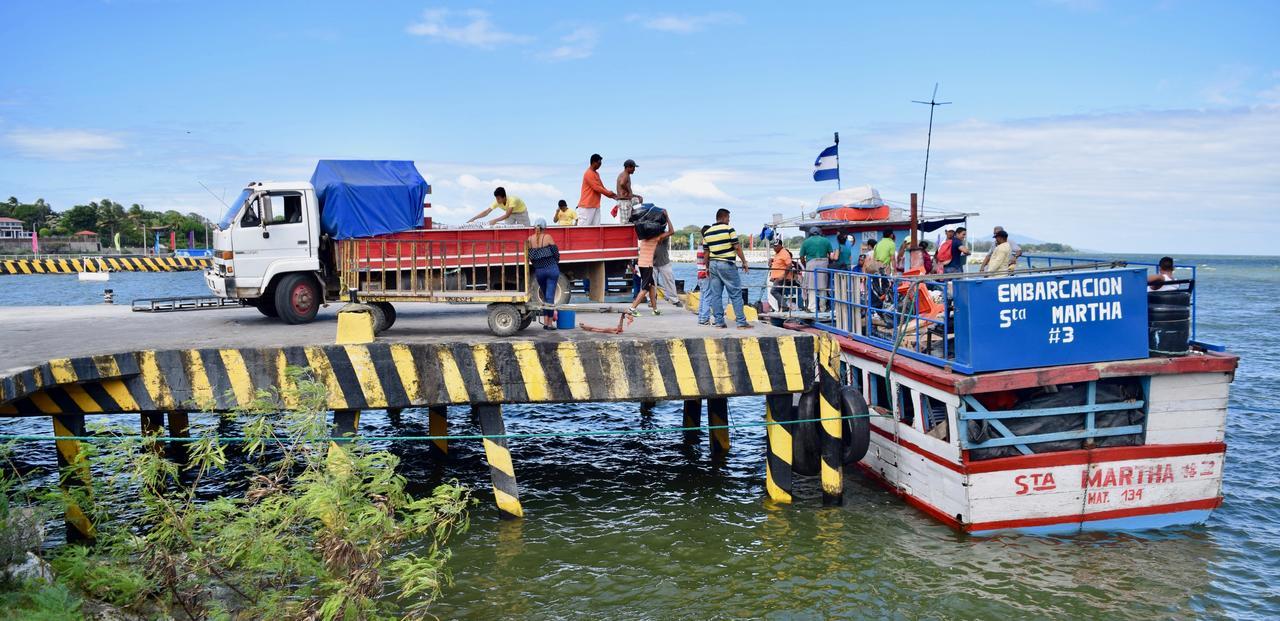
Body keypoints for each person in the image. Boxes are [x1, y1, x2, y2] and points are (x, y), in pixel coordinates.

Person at [701, 208, 751, 329]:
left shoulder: (708, 233)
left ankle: (719, 322)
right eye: (728, 218)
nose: (729, 220)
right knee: (735, 293)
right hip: (727, 264)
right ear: (723, 217)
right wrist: (744, 262)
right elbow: (737, 247)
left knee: (716, 295)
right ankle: (741, 322)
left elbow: (706, 253)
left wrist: (707, 267)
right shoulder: (729, 229)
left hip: (713, 265)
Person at [527, 219, 561, 329]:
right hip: (551, 269)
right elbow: (556, 253)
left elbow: (529, 257)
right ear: (544, 227)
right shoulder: (548, 237)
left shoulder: (529, 239)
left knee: (545, 297)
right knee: (549, 297)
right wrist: (555, 262)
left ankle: (546, 322)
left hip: (539, 271)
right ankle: (549, 324)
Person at [799, 227, 836, 312]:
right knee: (823, 286)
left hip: (811, 264)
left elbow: (801, 257)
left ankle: (812, 308)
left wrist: (805, 265)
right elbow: (831, 254)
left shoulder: (806, 242)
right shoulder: (826, 241)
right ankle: (823, 307)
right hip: (823, 264)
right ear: (820, 233)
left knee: (812, 287)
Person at [651, 209, 682, 307]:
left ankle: (674, 299)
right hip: (652, 262)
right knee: (651, 283)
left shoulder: (663, 234)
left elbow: (672, 231)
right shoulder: (650, 234)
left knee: (669, 281)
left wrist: (667, 217)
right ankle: (651, 300)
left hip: (664, 262)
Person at [578, 154, 617, 226]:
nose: (600, 165)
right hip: (586, 206)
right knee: (583, 229)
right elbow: (596, 187)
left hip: (595, 205)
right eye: (599, 163)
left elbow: (602, 187)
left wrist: (613, 196)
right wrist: (609, 193)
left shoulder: (596, 174)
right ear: (593, 162)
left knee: (596, 228)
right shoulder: (588, 173)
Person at [768, 237, 797, 311]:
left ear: (780, 245)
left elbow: (789, 265)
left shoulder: (784, 253)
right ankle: (781, 309)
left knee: (773, 291)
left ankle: (784, 306)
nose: (774, 248)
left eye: (776, 246)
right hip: (776, 277)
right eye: (773, 246)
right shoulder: (777, 253)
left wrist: (783, 276)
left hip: (782, 278)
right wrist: (771, 260)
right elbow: (778, 263)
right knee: (779, 293)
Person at [615, 159, 642, 223]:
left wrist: (635, 196)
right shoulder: (625, 175)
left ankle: (634, 216)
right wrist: (629, 192)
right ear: (628, 167)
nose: (634, 170)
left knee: (639, 199)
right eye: (633, 167)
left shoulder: (625, 174)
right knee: (624, 223)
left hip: (626, 200)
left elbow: (625, 187)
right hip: (623, 201)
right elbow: (622, 183)